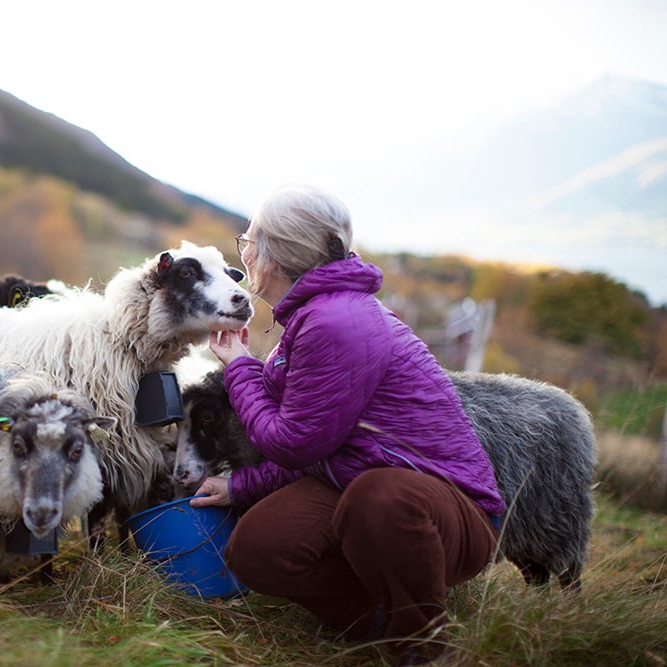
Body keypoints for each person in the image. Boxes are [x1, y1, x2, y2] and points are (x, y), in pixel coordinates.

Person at [189, 184, 504, 663]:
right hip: (361, 481)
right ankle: (370, 622)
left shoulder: (335, 322)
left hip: (446, 509)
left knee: (378, 498)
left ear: (273, 257)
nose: (244, 252)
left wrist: (239, 368)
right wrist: (241, 487)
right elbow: (321, 445)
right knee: (256, 548)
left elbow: (292, 443)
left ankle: (422, 645)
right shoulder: (313, 316)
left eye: (247, 242)